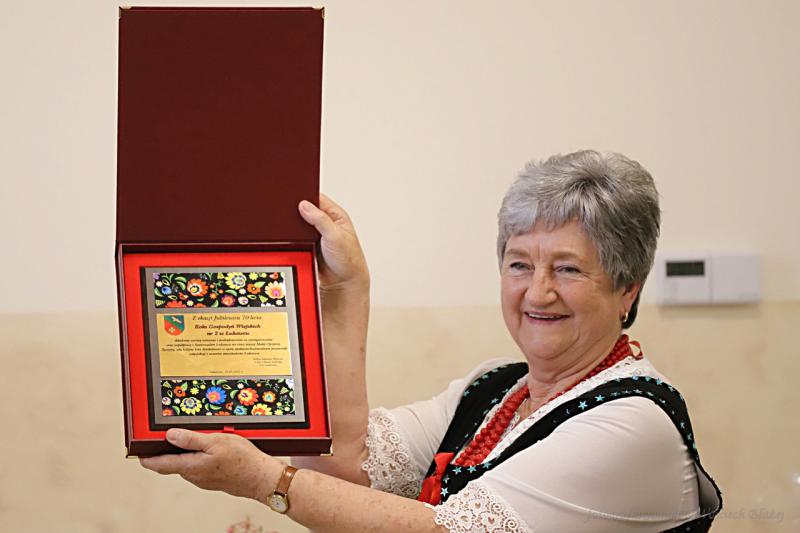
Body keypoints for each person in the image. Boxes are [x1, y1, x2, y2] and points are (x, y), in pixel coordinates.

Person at [141, 150, 722, 532]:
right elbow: (342, 467)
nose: (538, 292)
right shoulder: (492, 389)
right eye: (520, 264)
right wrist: (346, 289)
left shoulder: (635, 424)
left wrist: (262, 481)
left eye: (567, 269)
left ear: (626, 289)